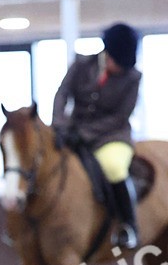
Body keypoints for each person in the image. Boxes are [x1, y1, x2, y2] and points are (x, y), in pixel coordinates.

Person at [52, 22, 142, 249]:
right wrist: (60, 125)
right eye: (117, 63)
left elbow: (120, 116)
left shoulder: (132, 78)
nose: (120, 70)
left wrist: (85, 132)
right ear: (107, 53)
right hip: (73, 132)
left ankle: (128, 225)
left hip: (111, 137)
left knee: (114, 167)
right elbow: (62, 95)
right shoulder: (81, 65)